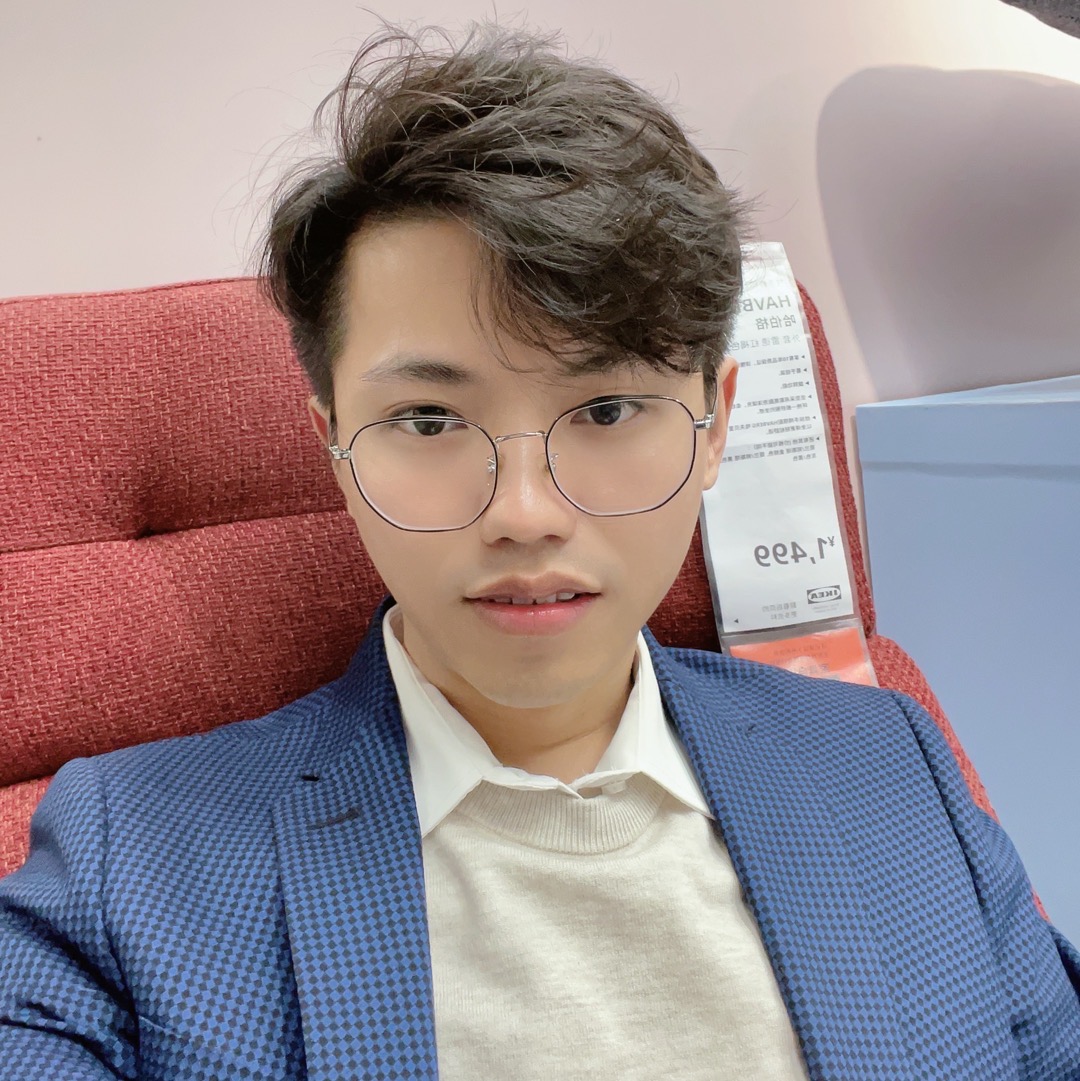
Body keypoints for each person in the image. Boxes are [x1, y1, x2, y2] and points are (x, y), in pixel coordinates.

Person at [1, 22, 1078, 1081]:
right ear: (334, 443)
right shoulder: (124, 863)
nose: (525, 512)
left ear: (715, 426)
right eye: (428, 420)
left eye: (607, 408)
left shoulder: (890, 757)